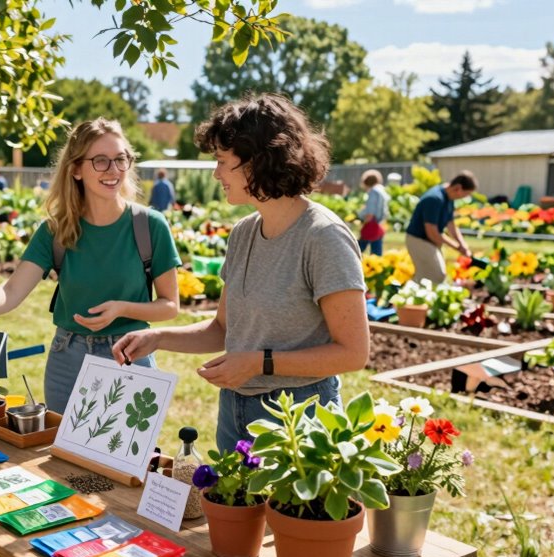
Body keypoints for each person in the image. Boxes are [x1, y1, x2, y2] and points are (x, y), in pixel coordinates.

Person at [111, 94, 369, 453]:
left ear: (258, 161)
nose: (216, 173)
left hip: (300, 415)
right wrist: (158, 338)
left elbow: (354, 353)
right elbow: (223, 329)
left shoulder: (323, 237)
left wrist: (259, 363)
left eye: (221, 161)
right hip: (235, 410)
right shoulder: (244, 233)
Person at [0, 118, 181, 413]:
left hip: (129, 356)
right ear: (75, 169)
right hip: (67, 359)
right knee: (59, 456)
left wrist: (122, 308)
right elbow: (11, 292)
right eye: (100, 161)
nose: (114, 170)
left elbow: (169, 305)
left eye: (121, 159)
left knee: (119, 457)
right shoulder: (55, 231)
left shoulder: (149, 226)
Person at [404, 171, 477, 284]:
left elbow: (451, 224)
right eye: (465, 194)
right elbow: (432, 232)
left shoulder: (449, 198)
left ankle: (411, 299)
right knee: (436, 275)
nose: (464, 197)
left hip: (429, 241)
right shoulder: (435, 199)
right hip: (418, 240)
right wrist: (457, 247)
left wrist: (463, 245)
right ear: (458, 188)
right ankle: (409, 298)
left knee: (425, 277)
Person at [356, 169, 390, 256]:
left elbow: (370, 212)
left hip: (371, 223)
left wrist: (365, 223)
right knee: (376, 248)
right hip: (379, 223)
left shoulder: (373, 192)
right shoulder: (381, 190)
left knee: (358, 248)